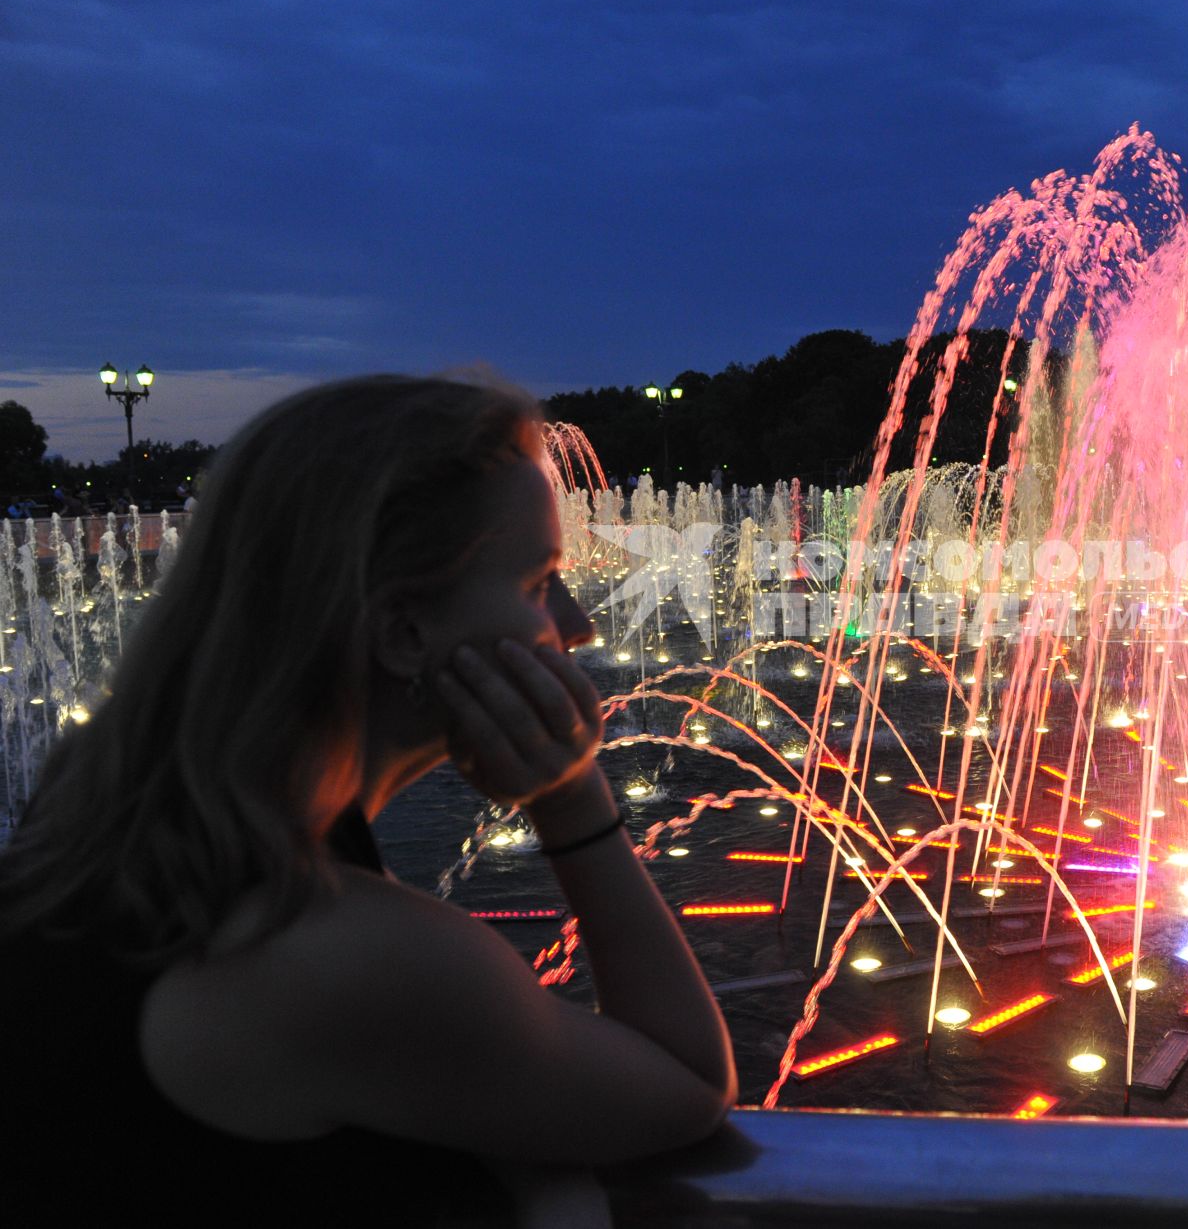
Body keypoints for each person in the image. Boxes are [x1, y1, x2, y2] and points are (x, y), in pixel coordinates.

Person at [0, 374, 736, 1226]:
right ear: (404, 632)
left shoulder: (115, 810)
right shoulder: (330, 950)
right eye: (539, 583)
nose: (580, 626)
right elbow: (685, 1081)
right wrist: (573, 802)